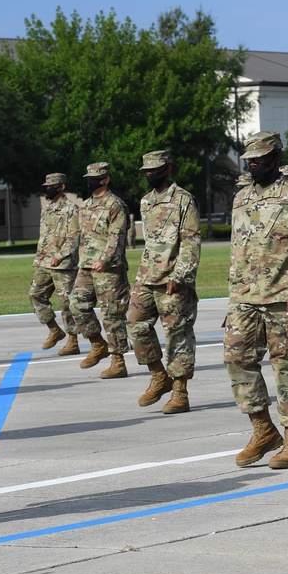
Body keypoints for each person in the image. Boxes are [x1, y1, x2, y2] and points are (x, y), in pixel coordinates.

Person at [224, 131, 288, 469]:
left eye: (260, 159)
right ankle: (263, 429)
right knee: (236, 358)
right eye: (249, 159)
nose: (254, 164)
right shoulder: (241, 199)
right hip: (244, 296)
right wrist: (233, 292)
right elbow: (238, 250)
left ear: (276, 158)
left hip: (284, 296)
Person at [128, 151, 201, 413]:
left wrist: (180, 276)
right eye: (146, 170)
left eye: (155, 169)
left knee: (177, 335)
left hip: (173, 279)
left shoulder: (183, 199)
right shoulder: (146, 202)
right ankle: (159, 375)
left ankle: (180, 392)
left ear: (168, 169)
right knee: (135, 324)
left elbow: (191, 241)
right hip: (147, 276)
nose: (149, 174)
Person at [70, 162, 131, 377]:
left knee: (112, 314)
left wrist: (105, 259)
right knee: (76, 304)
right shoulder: (85, 205)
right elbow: (82, 237)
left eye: (95, 177)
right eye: (89, 177)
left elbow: (117, 236)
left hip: (109, 269)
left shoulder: (115, 205)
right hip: (86, 266)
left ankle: (118, 361)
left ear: (106, 179)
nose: (90, 181)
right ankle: (98, 343)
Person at [29, 173, 82, 356]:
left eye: (52, 186)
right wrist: (40, 258)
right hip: (45, 262)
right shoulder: (48, 208)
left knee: (66, 303)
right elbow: (44, 237)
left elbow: (74, 238)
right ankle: (54, 329)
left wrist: (59, 256)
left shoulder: (71, 209)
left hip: (64, 264)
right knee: (35, 294)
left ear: (62, 187)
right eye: (47, 187)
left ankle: (73, 341)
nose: (48, 189)